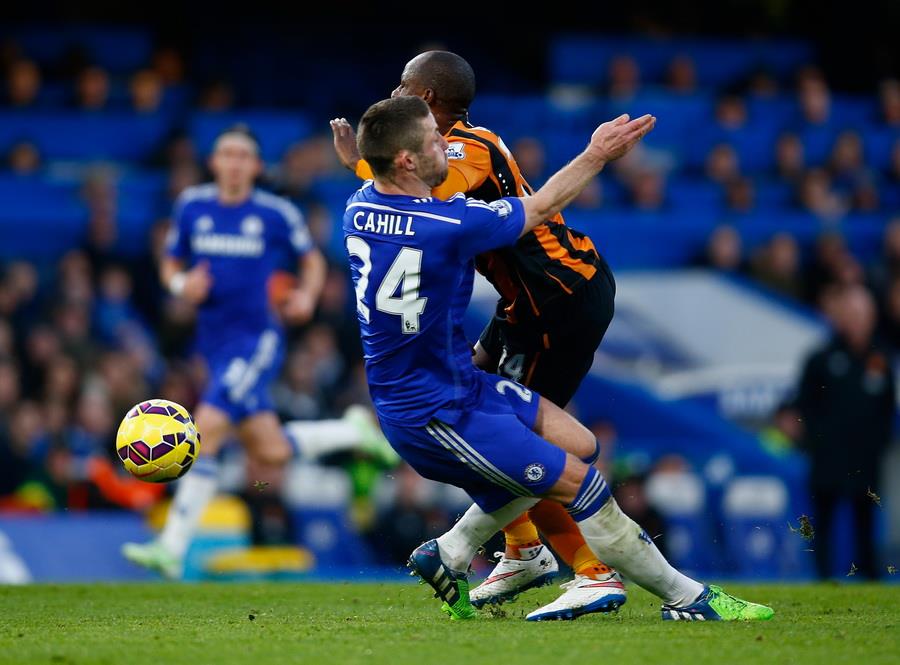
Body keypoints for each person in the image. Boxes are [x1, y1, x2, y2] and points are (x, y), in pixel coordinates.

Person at [344, 94, 773, 622]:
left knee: (581, 444)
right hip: (433, 412)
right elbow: (543, 206)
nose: (445, 146)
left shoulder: (359, 206)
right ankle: (685, 597)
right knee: (582, 483)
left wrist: (359, 157)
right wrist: (597, 153)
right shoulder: (449, 224)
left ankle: (452, 551)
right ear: (406, 160)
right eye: (435, 140)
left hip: (459, 384)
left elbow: (385, 186)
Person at [331, 50, 622, 620]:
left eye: (403, 85)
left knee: (509, 441)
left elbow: (429, 199)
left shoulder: (464, 147)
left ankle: (591, 572)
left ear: (426, 98)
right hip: (522, 305)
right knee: (467, 401)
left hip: (557, 300)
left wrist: (363, 168)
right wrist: (367, 168)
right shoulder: (437, 146)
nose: (395, 90)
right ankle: (523, 550)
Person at [122, 126, 389, 577]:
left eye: (243, 155)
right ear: (214, 162)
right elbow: (170, 261)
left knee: (206, 427)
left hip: (257, 339)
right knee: (271, 450)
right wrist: (181, 284)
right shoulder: (192, 206)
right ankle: (351, 432)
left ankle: (171, 547)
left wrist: (306, 295)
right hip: (213, 344)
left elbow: (311, 259)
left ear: (256, 166)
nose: (234, 162)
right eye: (226, 153)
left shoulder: (274, 213)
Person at [796, 285, 894, 579]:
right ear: (840, 317)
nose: (858, 321)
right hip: (828, 459)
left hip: (866, 459)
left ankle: (870, 576)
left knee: (866, 520)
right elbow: (805, 405)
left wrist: (879, 444)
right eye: (852, 314)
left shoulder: (880, 359)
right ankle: (823, 578)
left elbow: (887, 409)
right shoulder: (821, 358)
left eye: (863, 315)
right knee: (824, 521)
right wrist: (816, 442)